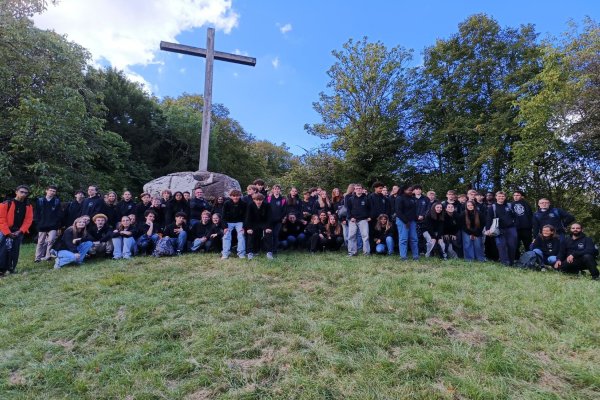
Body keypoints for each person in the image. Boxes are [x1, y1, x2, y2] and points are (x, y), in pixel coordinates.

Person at [0, 185, 33, 275]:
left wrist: (20, 231)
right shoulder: (6, 203)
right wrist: (7, 232)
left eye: (26, 193)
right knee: (3, 250)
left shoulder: (28, 205)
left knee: (15, 251)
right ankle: (1, 270)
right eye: (21, 192)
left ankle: (11, 268)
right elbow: (1, 219)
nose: (23, 194)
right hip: (5, 231)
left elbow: (28, 220)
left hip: (18, 231)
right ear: (16, 192)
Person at [485, 191, 517, 266]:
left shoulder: (509, 206)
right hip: (498, 229)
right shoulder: (492, 207)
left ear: (505, 197)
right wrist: (487, 229)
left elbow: (515, 216)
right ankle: (504, 263)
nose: (501, 198)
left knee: (512, 246)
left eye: (502, 196)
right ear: (496, 197)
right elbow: (489, 219)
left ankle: (511, 262)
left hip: (511, 228)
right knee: (501, 245)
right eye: (499, 196)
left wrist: (514, 224)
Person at [34, 185, 63, 262]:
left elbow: (59, 213)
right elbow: (36, 213)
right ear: (46, 191)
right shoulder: (40, 200)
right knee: (40, 242)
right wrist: (38, 223)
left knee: (51, 240)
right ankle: (37, 258)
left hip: (53, 225)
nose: (52, 192)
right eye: (50, 190)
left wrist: (57, 223)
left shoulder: (57, 201)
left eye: (54, 191)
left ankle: (48, 256)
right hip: (42, 224)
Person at [244, 193, 274, 260]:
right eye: (257, 200)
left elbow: (270, 217)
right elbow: (248, 218)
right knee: (250, 234)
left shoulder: (267, 205)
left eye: (260, 200)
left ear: (263, 200)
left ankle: (269, 252)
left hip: (264, 223)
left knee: (268, 233)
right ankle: (250, 252)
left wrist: (268, 227)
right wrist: (249, 228)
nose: (258, 201)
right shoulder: (250, 205)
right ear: (254, 200)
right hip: (253, 223)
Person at [395, 186, 419, 260]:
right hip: (403, 221)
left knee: (414, 239)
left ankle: (415, 256)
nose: (411, 191)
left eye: (412, 190)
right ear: (404, 190)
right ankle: (403, 257)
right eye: (409, 190)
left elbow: (414, 210)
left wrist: (415, 219)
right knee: (403, 239)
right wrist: (406, 221)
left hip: (412, 221)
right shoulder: (399, 198)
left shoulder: (412, 198)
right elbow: (398, 212)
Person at [221, 189, 246, 259]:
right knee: (226, 236)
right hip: (229, 222)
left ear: (240, 196)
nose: (235, 197)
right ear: (230, 196)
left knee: (241, 235)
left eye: (237, 196)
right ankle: (225, 253)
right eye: (233, 196)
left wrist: (244, 227)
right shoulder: (226, 203)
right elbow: (223, 216)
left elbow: (246, 216)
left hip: (239, 222)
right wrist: (225, 227)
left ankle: (241, 253)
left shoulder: (243, 204)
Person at [347, 183, 371, 256]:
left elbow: (370, 209)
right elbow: (348, 210)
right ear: (354, 190)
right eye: (357, 188)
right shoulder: (350, 199)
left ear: (362, 189)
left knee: (365, 236)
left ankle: (366, 253)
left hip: (363, 220)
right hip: (353, 220)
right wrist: (351, 217)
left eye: (360, 188)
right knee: (351, 236)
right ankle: (352, 253)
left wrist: (370, 216)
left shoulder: (367, 198)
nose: (358, 190)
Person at [512, 190, 533, 258]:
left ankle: (530, 259)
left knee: (528, 244)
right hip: (515, 228)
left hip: (526, 228)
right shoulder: (510, 205)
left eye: (518, 195)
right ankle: (516, 259)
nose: (516, 197)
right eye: (514, 195)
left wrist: (530, 225)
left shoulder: (526, 204)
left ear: (521, 196)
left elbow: (530, 215)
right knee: (515, 244)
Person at [266, 185, 286, 252]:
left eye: (278, 189)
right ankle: (269, 249)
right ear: (273, 190)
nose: (276, 190)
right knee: (269, 235)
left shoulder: (283, 199)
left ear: (280, 190)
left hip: (278, 221)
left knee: (275, 235)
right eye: (275, 189)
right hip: (269, 220)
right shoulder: (269, 198)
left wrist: (281, 218)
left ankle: (275, 250)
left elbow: (284, 210)